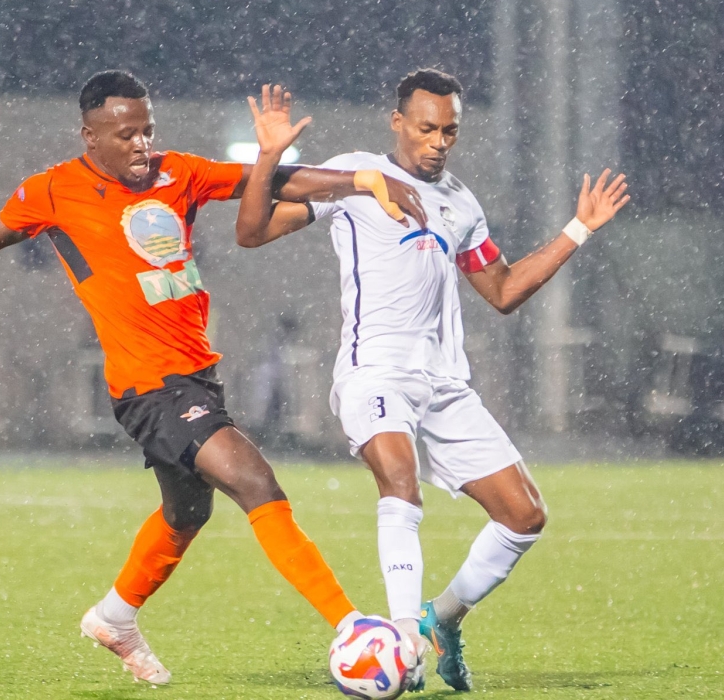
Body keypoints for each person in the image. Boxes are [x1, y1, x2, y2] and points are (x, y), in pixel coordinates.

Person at [0, 71, 428, 686]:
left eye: (147, 131)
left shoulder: (178, 173)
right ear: (90, 137)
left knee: (186, 513)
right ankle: (352, 627)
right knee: (255, 482)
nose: (141, 145)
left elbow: (266, 180)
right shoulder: (53, 191)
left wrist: (358, 181)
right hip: (149, 386)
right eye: (125, 134)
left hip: (195, 375)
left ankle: (115, 616)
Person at [234, 68, 630, 691]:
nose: (438, 141)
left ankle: (439, 618)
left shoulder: (461, 203)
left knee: (524, 517)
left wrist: (577, 230)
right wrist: (268, 157)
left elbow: (502, 291)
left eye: (449, 130)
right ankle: (401, 638)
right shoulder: (355, 175)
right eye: (425, 128)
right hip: (375, 372)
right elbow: (251, 232)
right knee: (400, 481)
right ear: (398, 122)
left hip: (444, 384)